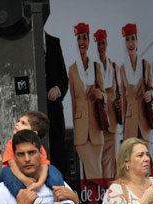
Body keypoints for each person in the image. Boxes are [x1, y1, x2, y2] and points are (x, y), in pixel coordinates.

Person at [0, 110, 77, 204]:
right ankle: (26, 198)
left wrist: (39, 184)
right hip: (14, 173)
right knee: (6, 171)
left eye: (23, 123)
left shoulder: (40, 148)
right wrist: (25, 180)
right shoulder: (12, 143)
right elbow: (11, 163)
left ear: (34, 133)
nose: (17, 124)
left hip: (34, 176)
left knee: (52, 168)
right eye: (19, 121)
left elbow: (44, 166)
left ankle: (61, 197)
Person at [68, 22, 106, 181]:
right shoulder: (72, 69)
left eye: (84, 38)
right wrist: (76, 128)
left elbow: (105, 94)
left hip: (96, 127)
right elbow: (73, 101)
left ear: (89, 41)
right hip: (81, 130)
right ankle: (100, 200)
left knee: (94, 169)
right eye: (79, 38)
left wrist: (101, 95)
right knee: (94, 170)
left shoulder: (97, 67)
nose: (82, 42)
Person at [119, 23, 153, 143]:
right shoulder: (122, 69)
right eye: (127, 40)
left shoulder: (146, 65)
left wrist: (150, 94)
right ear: (125, 44)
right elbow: (124, 98)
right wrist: (124, 126)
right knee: (132, 159)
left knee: (146, 158)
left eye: (133, 38)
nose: (131, 43)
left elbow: (152, 88)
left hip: (144, 120)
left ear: (137, 41)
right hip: (130, 123)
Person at [94, 29, 119, 179]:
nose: (101, 46)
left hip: (113, 121)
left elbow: (118, 92)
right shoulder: (93, 67)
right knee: (101, 160)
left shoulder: (113, 67)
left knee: (113, 160)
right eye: (98, 44)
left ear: (107, 44)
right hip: (100, 120)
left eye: (103, 43)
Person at [45, 32, 70, 176]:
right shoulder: (22, 41)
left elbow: (63, 79)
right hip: (33, 112)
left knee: (58, 153)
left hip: (53, 112)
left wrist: (58, 90)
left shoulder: (54, 42)